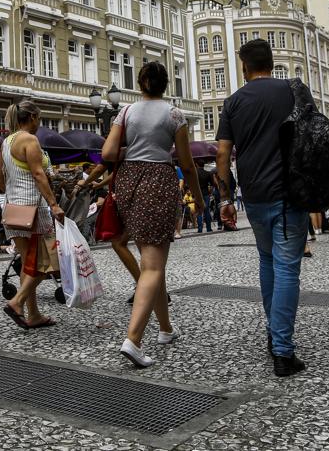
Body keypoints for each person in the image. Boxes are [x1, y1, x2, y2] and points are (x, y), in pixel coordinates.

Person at [215, 39, 310, 378]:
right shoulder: (294, 91)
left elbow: (223, 155)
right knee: (287, 267)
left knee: (268, 261)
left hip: (254, 195)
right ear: (272, 62)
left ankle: (275, 332)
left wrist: (226, 199)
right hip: (289, 192)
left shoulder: (233, 102)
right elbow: (312, 135)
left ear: (244, 66)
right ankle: (282, 350)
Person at [102, 62, 204, 368]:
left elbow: (107, 154)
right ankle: (133, 339)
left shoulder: (126, 112)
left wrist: (131, 151)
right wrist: (197, 198)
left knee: (151, 260)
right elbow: (186, 164)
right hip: (159, 180)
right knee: (154, 264)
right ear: (165, 84)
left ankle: (165, 328)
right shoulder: (174, 114)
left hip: (129, 181)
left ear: (142, 82)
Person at [0, 100, 65, 330]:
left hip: (13, 210)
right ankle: (16, 302)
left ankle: (33, 314)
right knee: (49, 263)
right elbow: (38, 174)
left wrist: (16, 184)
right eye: (40, 118)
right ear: (33, 118)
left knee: (29, 262)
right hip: (33, 209)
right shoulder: (30, 139)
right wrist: (54, 204)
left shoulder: (7, 142)